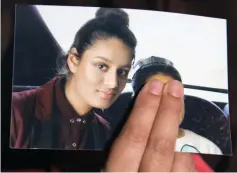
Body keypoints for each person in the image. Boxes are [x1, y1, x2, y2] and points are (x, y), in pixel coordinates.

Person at [10, 7, 137, 150]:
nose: (113, 83)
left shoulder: (104, 132)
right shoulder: (15, 112)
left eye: (122, 71)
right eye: (102, 66)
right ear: (74, 61)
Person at [131, 56, 223, 155]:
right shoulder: (126, 146)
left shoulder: (208, 149)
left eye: (175, 94)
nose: (169, 104)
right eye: (157, 94)